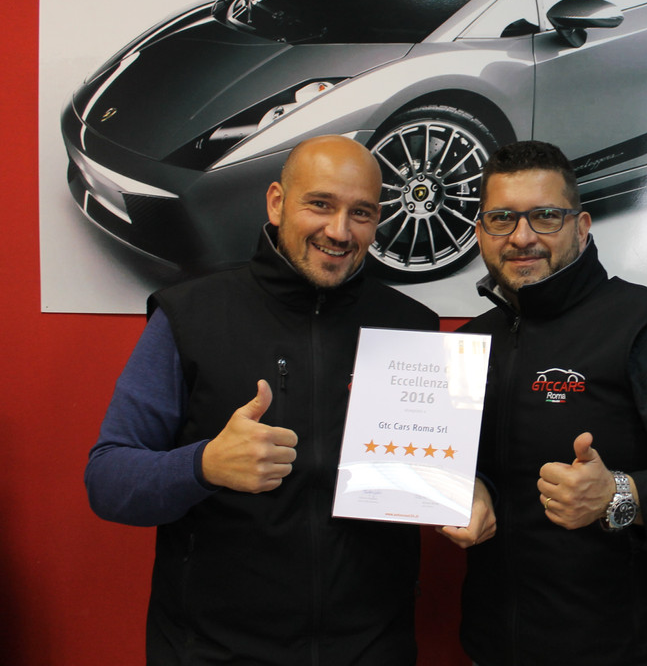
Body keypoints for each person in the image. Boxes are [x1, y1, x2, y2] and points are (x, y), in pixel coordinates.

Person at [84, 135, 443, 665]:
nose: (339, 231)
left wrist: (470, 490)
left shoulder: (411, 327)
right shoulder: (191, 315)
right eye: (320, 204)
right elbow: (108, 481)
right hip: (215, 649)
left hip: (371, 646)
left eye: (361, 213)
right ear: (277, 203)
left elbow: (437, 465)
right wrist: (203, 464)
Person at [457, 140, 647, 666]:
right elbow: (470, 466)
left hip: (626, 650)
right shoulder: (472, 340)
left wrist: (618, 494)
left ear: (582, 226)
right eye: (502, 219)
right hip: (493, 645)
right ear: (480, 232)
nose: (522, 237)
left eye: (545, 216)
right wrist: (464, 486)